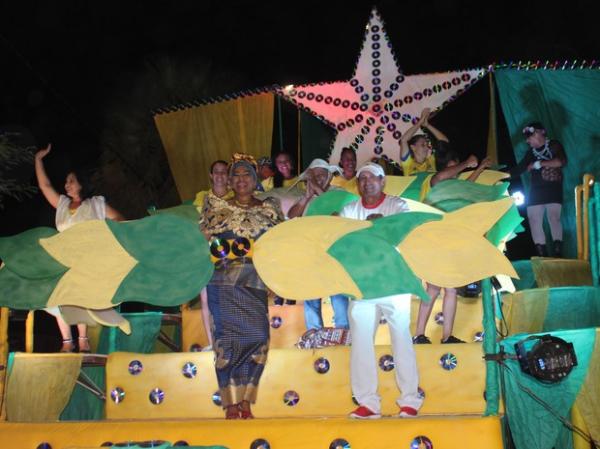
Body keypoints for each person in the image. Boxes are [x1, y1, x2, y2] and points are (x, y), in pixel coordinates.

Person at [201, 155, 284, 419]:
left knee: (258, 338)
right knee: (227, 341)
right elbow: (203, 239)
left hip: (255, 281)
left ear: (255, 179)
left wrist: (277, 278)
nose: (241, 179)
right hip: (223, 282)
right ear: (230, 180)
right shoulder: (216, 207)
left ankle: (246, 398)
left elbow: (280, 244)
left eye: (246, 174)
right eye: (235, 175)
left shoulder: (269, 208)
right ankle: (231, 403)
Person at [342, 162, 423, 419]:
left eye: (372, 178)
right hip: (362, 284)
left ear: (382, 181)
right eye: (362, 178)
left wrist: (374, 230)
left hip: (393, 281)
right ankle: (368, 403)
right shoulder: (349, 209)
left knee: (401, 338)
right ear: (358, 184)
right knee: (361, 343)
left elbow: (400, 233)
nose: (367, 182)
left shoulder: (397, 205)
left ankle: (409, 400)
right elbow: (344, 241)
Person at [35, 143, 123, 353]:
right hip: (64, 260)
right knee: (57, 298)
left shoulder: (95, 205)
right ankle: (67, 341)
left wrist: (104, 238)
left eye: (71, 181)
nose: (66, 185)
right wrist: (38, 160)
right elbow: (45, 186)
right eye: (66, 182)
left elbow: (119, 219)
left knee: (80, 296)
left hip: (87, 260)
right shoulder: (63, 205)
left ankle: (83, 340)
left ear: (81, 184)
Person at [413, 153, 491, 344]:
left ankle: (447, 336)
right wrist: (465, 163)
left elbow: (466, 185)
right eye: (452, 169)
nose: (455, 175)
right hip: (434, 243)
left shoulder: (452, 191)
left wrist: (479, 168)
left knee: (451, 289)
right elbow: (441, 177)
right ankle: (419, 334)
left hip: (450, 243)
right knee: (432, 289)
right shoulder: (434, 183)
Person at [288, 158, 349, 330]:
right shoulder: (306, 196)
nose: (318, 179)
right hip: (311, 253)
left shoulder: (338, 192)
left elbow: (335, 212)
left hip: (335, 253)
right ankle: (314, 334)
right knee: (311, 296)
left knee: (338, 297)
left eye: (321, 176)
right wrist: (306, 197)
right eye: (314, 177)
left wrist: (314, 186)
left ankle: (343, 335)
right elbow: (291, 218)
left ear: (330, 176)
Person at [509, 122, 567, 257]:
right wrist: (501, 175)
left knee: (553, 217)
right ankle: (542, 255)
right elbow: (519, 168)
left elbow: (561, 161)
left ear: (541, 132)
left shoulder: (554, 145)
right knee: (534, 218)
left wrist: (539, 163)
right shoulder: (531, 153)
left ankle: (558, 253)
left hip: (553, 188)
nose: (528, 140)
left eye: (531, 136)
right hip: (536, 190)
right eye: (527, 138)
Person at [193, 160, 232, 351]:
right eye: (216, 172)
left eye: (224, 172)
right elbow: (203, 230)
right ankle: (212, 342)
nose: (220, 175)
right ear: (211, 175)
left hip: (231, 254)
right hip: (207, 253)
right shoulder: (204, 199)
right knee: (206, 299)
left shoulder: (236, 197)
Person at [399, 107, 450, 176]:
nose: (427, 148)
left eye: (427, 145)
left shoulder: (430, 159)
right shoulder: (408, 162)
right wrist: (420, 121)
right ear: (413, 147)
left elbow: (445, 141)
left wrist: (427, 125)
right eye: (423, 145)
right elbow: (403, 140)